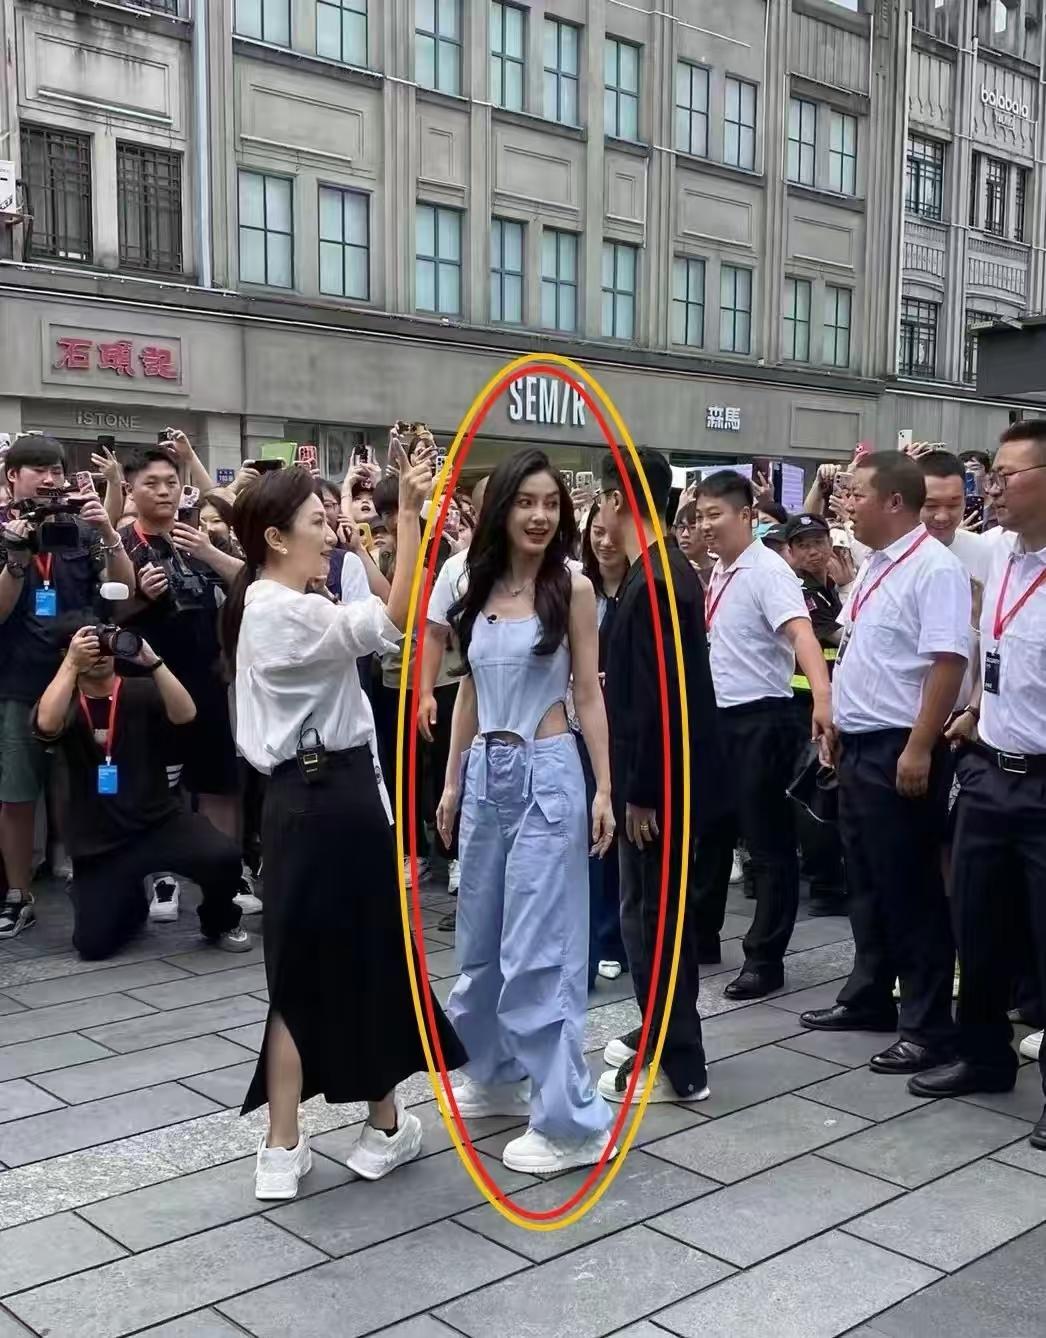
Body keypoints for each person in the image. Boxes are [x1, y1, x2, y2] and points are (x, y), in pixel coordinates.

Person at [223, 458, 466, 1200]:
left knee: (302, 965)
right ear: (275, 537)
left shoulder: (270, 602)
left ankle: (288, 1143)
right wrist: (409, 516)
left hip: (298, 799)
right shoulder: (280, 608)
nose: (330, 535)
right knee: (365, 956)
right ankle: (375, 1127)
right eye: (317, 523)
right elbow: (393, 620)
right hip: (336, 798)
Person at [435, 449, 615, 1175]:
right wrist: (452, 781)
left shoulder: (572, 586)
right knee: (480, 936)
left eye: (550, 503)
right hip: (486, 772)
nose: (540, 516)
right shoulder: (472, 583)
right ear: (502, 509)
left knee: (542, 949)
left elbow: (590, 693)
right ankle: (495, 1071)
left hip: (548, 771)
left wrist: (604, 788)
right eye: (526, 502)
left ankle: (571, 1122)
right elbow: (468, 690)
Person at [800, 451, 971, 1074]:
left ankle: (928, 1027)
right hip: (859, 743)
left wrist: (920, 745)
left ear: (894, 502)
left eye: (858, 495)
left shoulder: (934, 568)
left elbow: (948, 662)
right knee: (868, 881)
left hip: (900, 745)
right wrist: (836, 719)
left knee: (912, 888)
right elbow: (860, 650)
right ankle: (869, 994)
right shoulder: (876, 564)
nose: (847, 506)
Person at [908, 423, 1045, 1151]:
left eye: (1006, 477)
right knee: (979, 924)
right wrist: (972, 716)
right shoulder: (1002, 560)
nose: (991, 490)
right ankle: (985, 1055)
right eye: (990, 478)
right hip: (992, 770)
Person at [594, 448, 729, 1104]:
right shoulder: (660, 570)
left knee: (654, 921)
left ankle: (680, 1058)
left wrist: (643, 792)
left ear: (617, 499)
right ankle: (660, 1033)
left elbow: (659, 700)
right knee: (647, 916)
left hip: (658, 788)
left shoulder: (656, 580)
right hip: (659, 780)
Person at [691, 471, 833, 998]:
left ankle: (765, 958)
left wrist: (823, 698)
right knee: (711, 833)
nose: (706, 526)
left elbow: (801, 634)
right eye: (700, 516)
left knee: (767, 844)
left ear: (748, 516)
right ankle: (701, 936)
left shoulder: (767, 570)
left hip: (762, 719)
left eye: (715, 515)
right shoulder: (721, 570)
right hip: (720, 719)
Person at [33, 619, 249, 959]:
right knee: (92, 946)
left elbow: (186, 713)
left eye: (105, 644)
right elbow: (46, 724)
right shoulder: (65, 701)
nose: (100, 653)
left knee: (222, 855)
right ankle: (129, 905)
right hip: (100, 839)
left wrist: (153, 661)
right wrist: (72, 663)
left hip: (159, 821)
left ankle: (220, 920)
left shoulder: (139, 691)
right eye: (88, 645)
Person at [0, 434, 135, 938]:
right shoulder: (3, 531)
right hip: (18, 679)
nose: (50, 479)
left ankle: (93, 871)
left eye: (56, 470)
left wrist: (109, 531)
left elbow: (123, 590)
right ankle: (18, 894)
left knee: (87, 782)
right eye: (38, 470)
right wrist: (16, 557)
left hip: (82, 674)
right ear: (12, 476)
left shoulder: (80, 529)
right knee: (16, 793)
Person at [118, 446, 244, 851]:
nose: (164, 491)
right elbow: (105, 613)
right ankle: (158, 871)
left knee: (218, 783)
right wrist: (139, 595)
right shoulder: (119, 545)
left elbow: (252, 585)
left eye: (171, 482)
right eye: (151, 483)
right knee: (152, 784)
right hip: (146, 685)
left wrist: (209, 552)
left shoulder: (205, 539)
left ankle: (227, 869)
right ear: (129, 490)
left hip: (208, 678)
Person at [785, 513, 845, 916]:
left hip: (824, 701)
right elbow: (840, 635)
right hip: (805, 704)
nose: (814, 551)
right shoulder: (801, 592)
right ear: (790, 552)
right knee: (815, 791)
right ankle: (824, 886)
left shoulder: (828, 587)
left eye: (819, 542)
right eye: (804, 545)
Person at [579, 506, 629, 984]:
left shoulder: (640, 590)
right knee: (592, 837)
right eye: (596, 532)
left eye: (613, 533)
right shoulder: (579, 589)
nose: (605, 542)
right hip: (583, 730)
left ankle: (617, 938)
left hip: (628, 731)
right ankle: (595, 936)